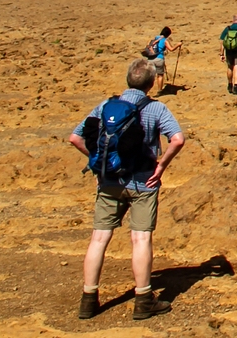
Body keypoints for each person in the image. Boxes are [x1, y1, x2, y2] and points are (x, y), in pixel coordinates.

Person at [68, 58, 185, 321]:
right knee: (140, 239)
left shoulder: (105, 106)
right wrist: (161, 166)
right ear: (152, 82)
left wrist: (98, 162)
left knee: (99, 238)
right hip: (144, 181)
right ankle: (143, 299)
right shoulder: (156, 108)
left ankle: (88, 299)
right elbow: (177, 139)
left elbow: (75, 137)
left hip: (109, 181)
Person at [149, 27, 180, 94]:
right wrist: (177, 45)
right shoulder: (165, 40)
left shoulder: (155, 38)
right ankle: (160, 91)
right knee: (160, 75)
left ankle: (146, 89)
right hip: (159, 59)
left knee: (150, 75)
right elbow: (171, 49)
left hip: (151, 58)